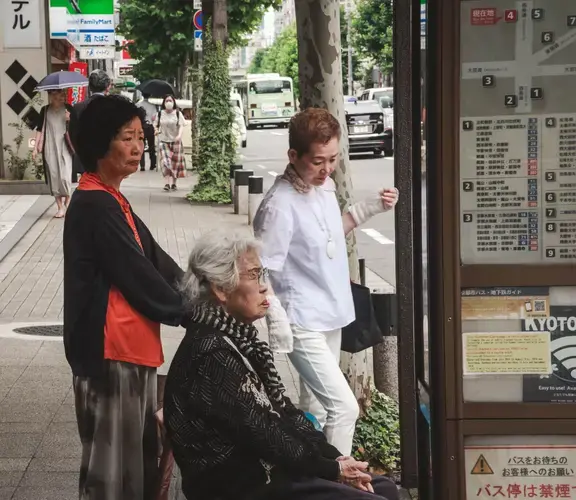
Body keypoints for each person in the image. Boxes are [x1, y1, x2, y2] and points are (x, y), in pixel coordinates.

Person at [164, 233, 398, 500]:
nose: (264, 286)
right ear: (221, 288)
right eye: (253, 275)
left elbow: (283, 412)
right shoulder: (211, 352)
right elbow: (266, 434)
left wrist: (336, 458)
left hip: (268, 472)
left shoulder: (237, 337)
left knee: (384, 488)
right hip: (241, 486)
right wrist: (332, 469)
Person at [253, 108, 399, 457]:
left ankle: (311, 478)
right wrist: (276, 321)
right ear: (293, 156)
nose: (327, 169)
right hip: (301, 322)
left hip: (329, 313)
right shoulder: (279, 206)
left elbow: (333, 231)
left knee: (316, 409)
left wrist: (372, 207)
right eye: (318, 161)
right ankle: (338, 485)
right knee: (344, 408)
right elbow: (260, 268)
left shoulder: (323, 187)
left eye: (333, 159)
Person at [63, 94, 185, 500]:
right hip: (111, 353)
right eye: (127, 138)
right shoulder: (95, 204)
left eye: (139, 137)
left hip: (132, 349)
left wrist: (202, 291)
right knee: (110, 476)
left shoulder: (112, 197)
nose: (138, 147)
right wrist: (190, 312)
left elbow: (156, 259)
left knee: (135, 469)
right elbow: (139, 277)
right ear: (101, 144)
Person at [32, 89, 74, 218]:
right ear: (51, 97)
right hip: (50, 146)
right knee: (54, 176)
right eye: (57, 96)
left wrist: (69, 119)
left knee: (65, 176)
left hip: (64, 146)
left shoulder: (69, 108)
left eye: (62, 96)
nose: (61, 98)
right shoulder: (45, 110)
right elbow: (39, 129)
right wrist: (35, 148)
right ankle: (60, 207)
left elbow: (76, 127)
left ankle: (68, 197)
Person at [68, 69, 112, 182]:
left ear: (90, 87)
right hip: (108, 158)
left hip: (85, 158)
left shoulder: (78, 107)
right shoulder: (113, 107)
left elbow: (72, 134)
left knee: (88, 187)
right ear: (107, 86)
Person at [155, 94, 185, 192]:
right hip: (163, 140)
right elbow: (155, 125)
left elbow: (181, 126)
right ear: (164, 102)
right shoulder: (160, 114)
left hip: (176, 141)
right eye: (166, 100)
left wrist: (179, 136)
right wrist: (156, 130)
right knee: (165, 161)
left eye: (170, 101)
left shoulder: (178, 114)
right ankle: (167, 183)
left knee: (175, 163)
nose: (168, 102)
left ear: (173, 102)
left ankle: (174, 183)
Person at [136, 93, 158, 171]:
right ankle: (153, 164)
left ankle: (142, 165)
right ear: (150, 96)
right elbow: (154, 117)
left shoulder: (138, 104)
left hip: (141, 127)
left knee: (141, 145)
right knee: (151, 146)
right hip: (150, 127)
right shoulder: (152, 106)